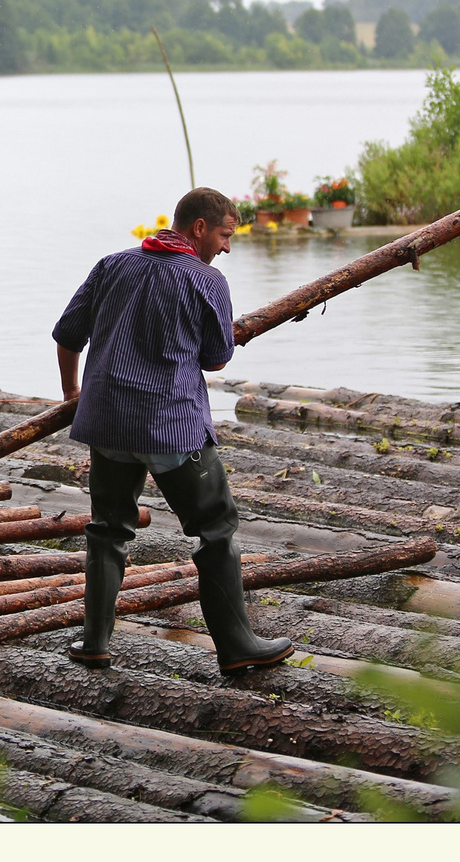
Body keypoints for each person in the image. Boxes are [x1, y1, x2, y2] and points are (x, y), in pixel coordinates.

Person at [52, 187, 294, 675]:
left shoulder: (111, 265)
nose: (227, 248)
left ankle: (95, 641)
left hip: (107, 423)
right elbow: (216, 357)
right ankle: (237, 645)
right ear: (199, 228)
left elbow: (67, 334)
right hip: (171, 427)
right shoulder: (206, 281)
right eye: (225, 235)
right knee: (217, 530)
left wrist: (72, 394)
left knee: (107, 529)